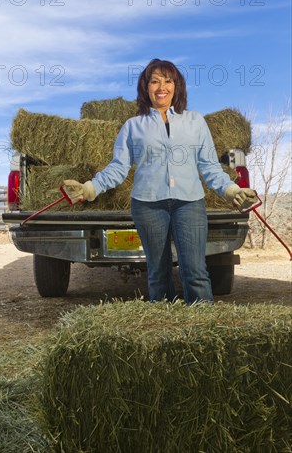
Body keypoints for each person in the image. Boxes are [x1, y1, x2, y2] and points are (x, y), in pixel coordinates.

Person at [64, 59, 258, 304]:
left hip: (189, 203)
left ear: (177, 86)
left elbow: (209, 166)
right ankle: (164, 333)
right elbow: (118, 167)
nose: (161, 87)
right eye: (154, 81)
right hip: (147, 205)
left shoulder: (195, 121)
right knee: (158, 272)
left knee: (195, 271)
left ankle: (199, 331)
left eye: (167, 81)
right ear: (146, 87)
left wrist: (231, 190)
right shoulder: (133, 127)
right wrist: (89, 188)